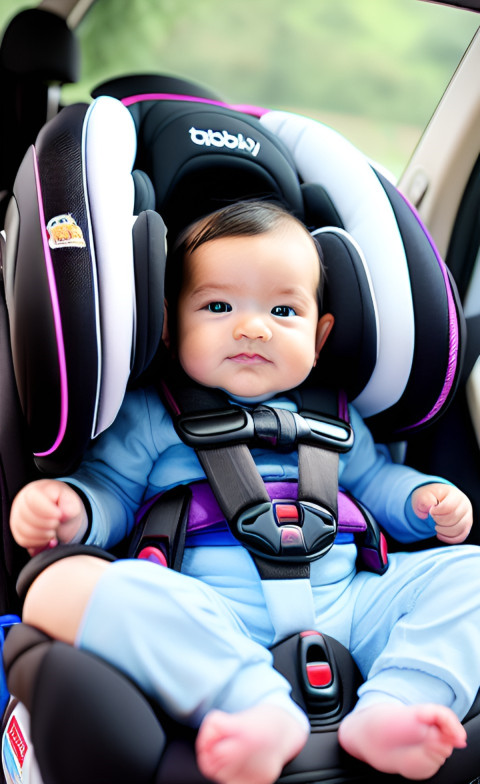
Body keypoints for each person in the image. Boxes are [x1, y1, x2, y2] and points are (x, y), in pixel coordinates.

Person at [10, 200, 478, 784]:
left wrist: (423, 501)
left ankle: (400, 704)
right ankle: (248, 702)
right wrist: (71, 511)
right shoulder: (152, 417)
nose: (252, 327)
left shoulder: (336, 416)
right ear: (167, 323)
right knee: (57, 584)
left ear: (320, 334)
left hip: (350, 600)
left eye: (283, 309)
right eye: (218, 305)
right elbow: (112, 492)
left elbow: (376, 483)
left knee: (471, 571)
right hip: (208, 607)